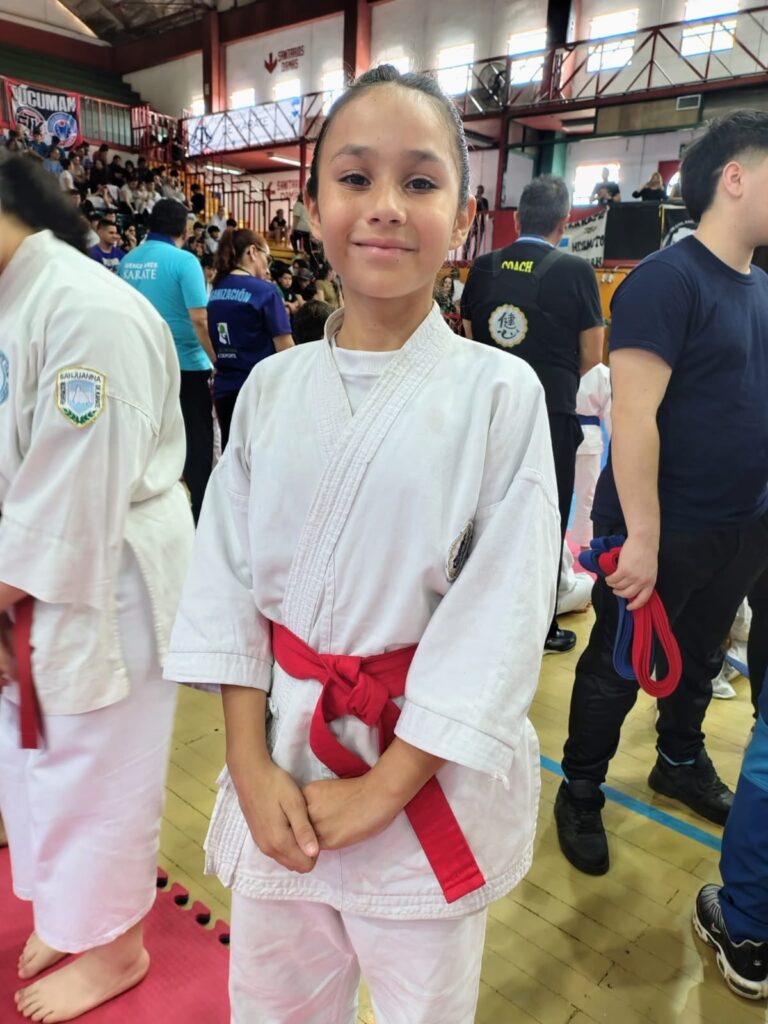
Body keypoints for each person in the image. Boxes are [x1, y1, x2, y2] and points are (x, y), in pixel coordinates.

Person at [164, 64, 560, 1024]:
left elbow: (502, 617)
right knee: (274, 1003)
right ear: (311, 208)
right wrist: (248, 762)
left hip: (421, 776)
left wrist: (387, 788)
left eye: (420, 181)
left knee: (424, 1007)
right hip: (284, 770)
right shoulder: (270, 391)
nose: (385, 205)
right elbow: (227, 585)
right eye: (354, 177)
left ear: (463, 218)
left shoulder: (499, 395)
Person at [0, 152, 193, 1022]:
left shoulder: (85, 313)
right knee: (32, 766)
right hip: (24, 578)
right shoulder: (15, 299)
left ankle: (117, 946)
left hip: (100, 579)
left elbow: (67, 512)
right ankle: (70, 917)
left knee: (96, 773)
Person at [555, 110, 768, 877]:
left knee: (704, 651)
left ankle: (678, 759)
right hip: (663, 527)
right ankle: (580, 789)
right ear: (734, 177)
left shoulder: (762, 289)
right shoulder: (665, 282)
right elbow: (634, 417)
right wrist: (641, 538)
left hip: (740, 526)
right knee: (616, 667)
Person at [461, 175, 604, 655]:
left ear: (518, 219)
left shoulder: (483, 267)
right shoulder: (577, 271)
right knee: (544, 517)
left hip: (487, 412)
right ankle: (538, 629)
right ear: (565, 223)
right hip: (550, 413)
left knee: (479, 512)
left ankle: (471, 619)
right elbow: (592, 354)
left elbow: (468, 338)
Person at [118, 199, 216, 523]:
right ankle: (201, 516)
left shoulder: (128, 261)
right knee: (196, 444)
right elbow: (200, 319)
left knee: (148, 441)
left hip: (140, 365)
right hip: (186, 365)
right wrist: (217, 359)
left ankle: (148, 515)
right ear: (184, 229)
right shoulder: (184, 261)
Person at [207, 228, 293, 449]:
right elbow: (286, 349)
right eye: (268, 258)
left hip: (225, 388)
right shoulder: (265, 291)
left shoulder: (216, 290)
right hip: (259, 390)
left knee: (231, 455)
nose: (268, 267)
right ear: (252, 252)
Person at [572, 361, 612, 549]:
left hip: (563, 432)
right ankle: (585, 543)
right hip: (588, 438)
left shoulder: (562, 362)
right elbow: (610, 412)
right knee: (587, 493)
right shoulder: (601, 372)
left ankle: (583, 541)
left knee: (582, 492)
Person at [463, 184, 490, 260]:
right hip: (472, 224)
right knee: (467, 242)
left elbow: (486, 212)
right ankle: (464, 258)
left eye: (480, 191)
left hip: (480, 225)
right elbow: (468, 209)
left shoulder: (485, 201)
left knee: (477, 244)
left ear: (482, 192)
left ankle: (474, 259)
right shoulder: (472, 199)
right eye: (478, 191)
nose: (479, 192)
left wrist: (481, 202)